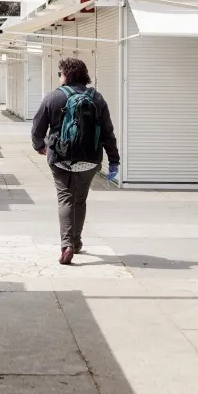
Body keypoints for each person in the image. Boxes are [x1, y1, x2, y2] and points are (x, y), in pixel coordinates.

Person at [30, 56, 121, 265]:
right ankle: (77, 242)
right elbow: (108, 132)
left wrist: (39, 146)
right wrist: (113, 160)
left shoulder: (53, 97)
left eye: (60, 73)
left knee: (65, 198)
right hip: (90, 160)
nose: (59, 77)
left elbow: (37, 128)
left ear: (66, 75)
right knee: (80, 199)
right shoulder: (97, 98)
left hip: (61, 159)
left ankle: (67, 244)